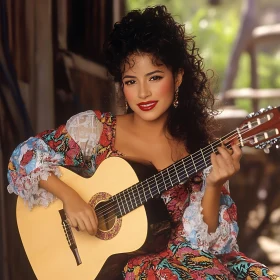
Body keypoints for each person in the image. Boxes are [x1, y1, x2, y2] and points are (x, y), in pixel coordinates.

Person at [7, 5, 279, 279]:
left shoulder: (198, 150)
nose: (143, 92)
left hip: (183, 259)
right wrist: (72, 198)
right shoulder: (97, 131)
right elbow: (26, 157)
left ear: (178, 78)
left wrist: (214, 185)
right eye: (131, 81)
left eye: (155, 77)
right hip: (131, 266)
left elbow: (204, 247)